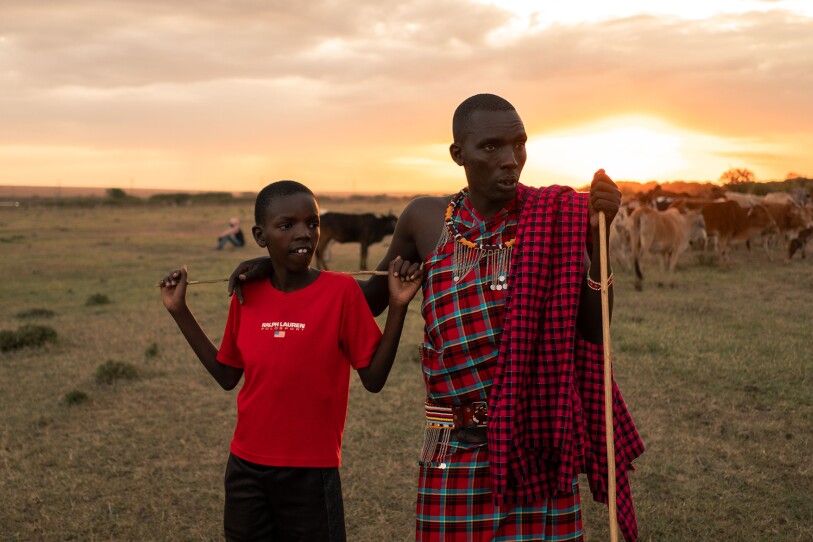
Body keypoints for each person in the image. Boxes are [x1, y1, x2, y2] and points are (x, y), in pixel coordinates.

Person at [229, 95, 644, 541]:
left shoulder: (554, 217)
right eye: (491, 146)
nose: (510, 159)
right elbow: (366, 301)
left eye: (519, 144)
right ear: (458, 154)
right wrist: (281, 270)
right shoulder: (425, 219)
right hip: (453, 445)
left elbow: (594, 330)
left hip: (536, 440)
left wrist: (598, 238)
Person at [160, 180, 423, 542]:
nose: (304, 234)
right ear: (260, 236)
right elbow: (226, 374)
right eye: (286, 225)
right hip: (245, 469)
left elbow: (374, 379)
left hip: (311, 472)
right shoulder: (247, 292)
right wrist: (179, 311)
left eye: (312, 223)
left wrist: (397, 306)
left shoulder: (342, 292)